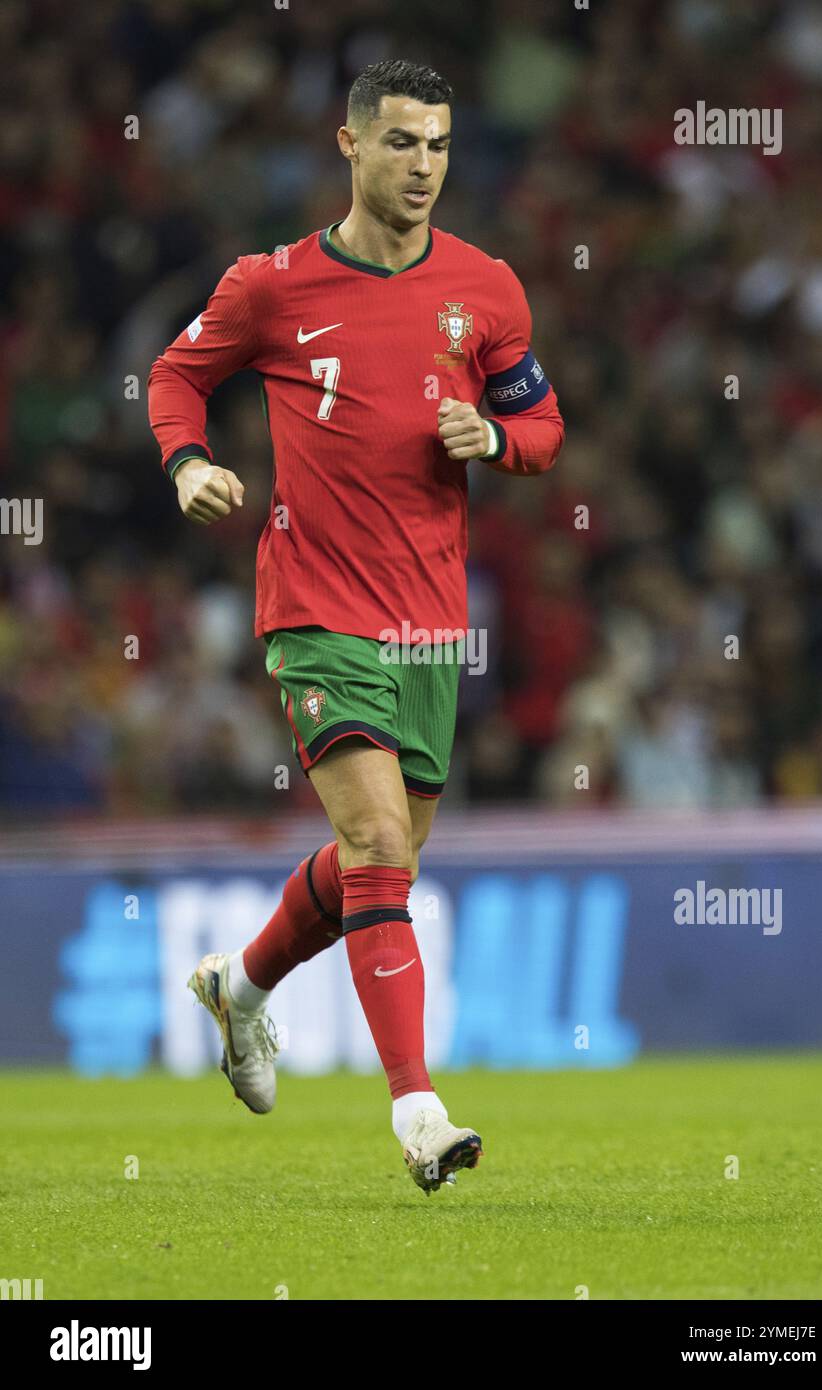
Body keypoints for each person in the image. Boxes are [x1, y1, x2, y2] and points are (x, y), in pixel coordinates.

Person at [147, 58, 564, 1193]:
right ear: (348, 146)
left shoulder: (485, 288)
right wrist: (187, 462)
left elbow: (543, 425)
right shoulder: (270, 285)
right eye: (399, 143)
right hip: (316, 610)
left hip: (430, 623)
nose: (421, 165)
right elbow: (175, 376)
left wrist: (498, 438)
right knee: (380, 848)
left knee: (384, 858)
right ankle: (417, 1111)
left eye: (436, 144)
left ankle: (239, 986)